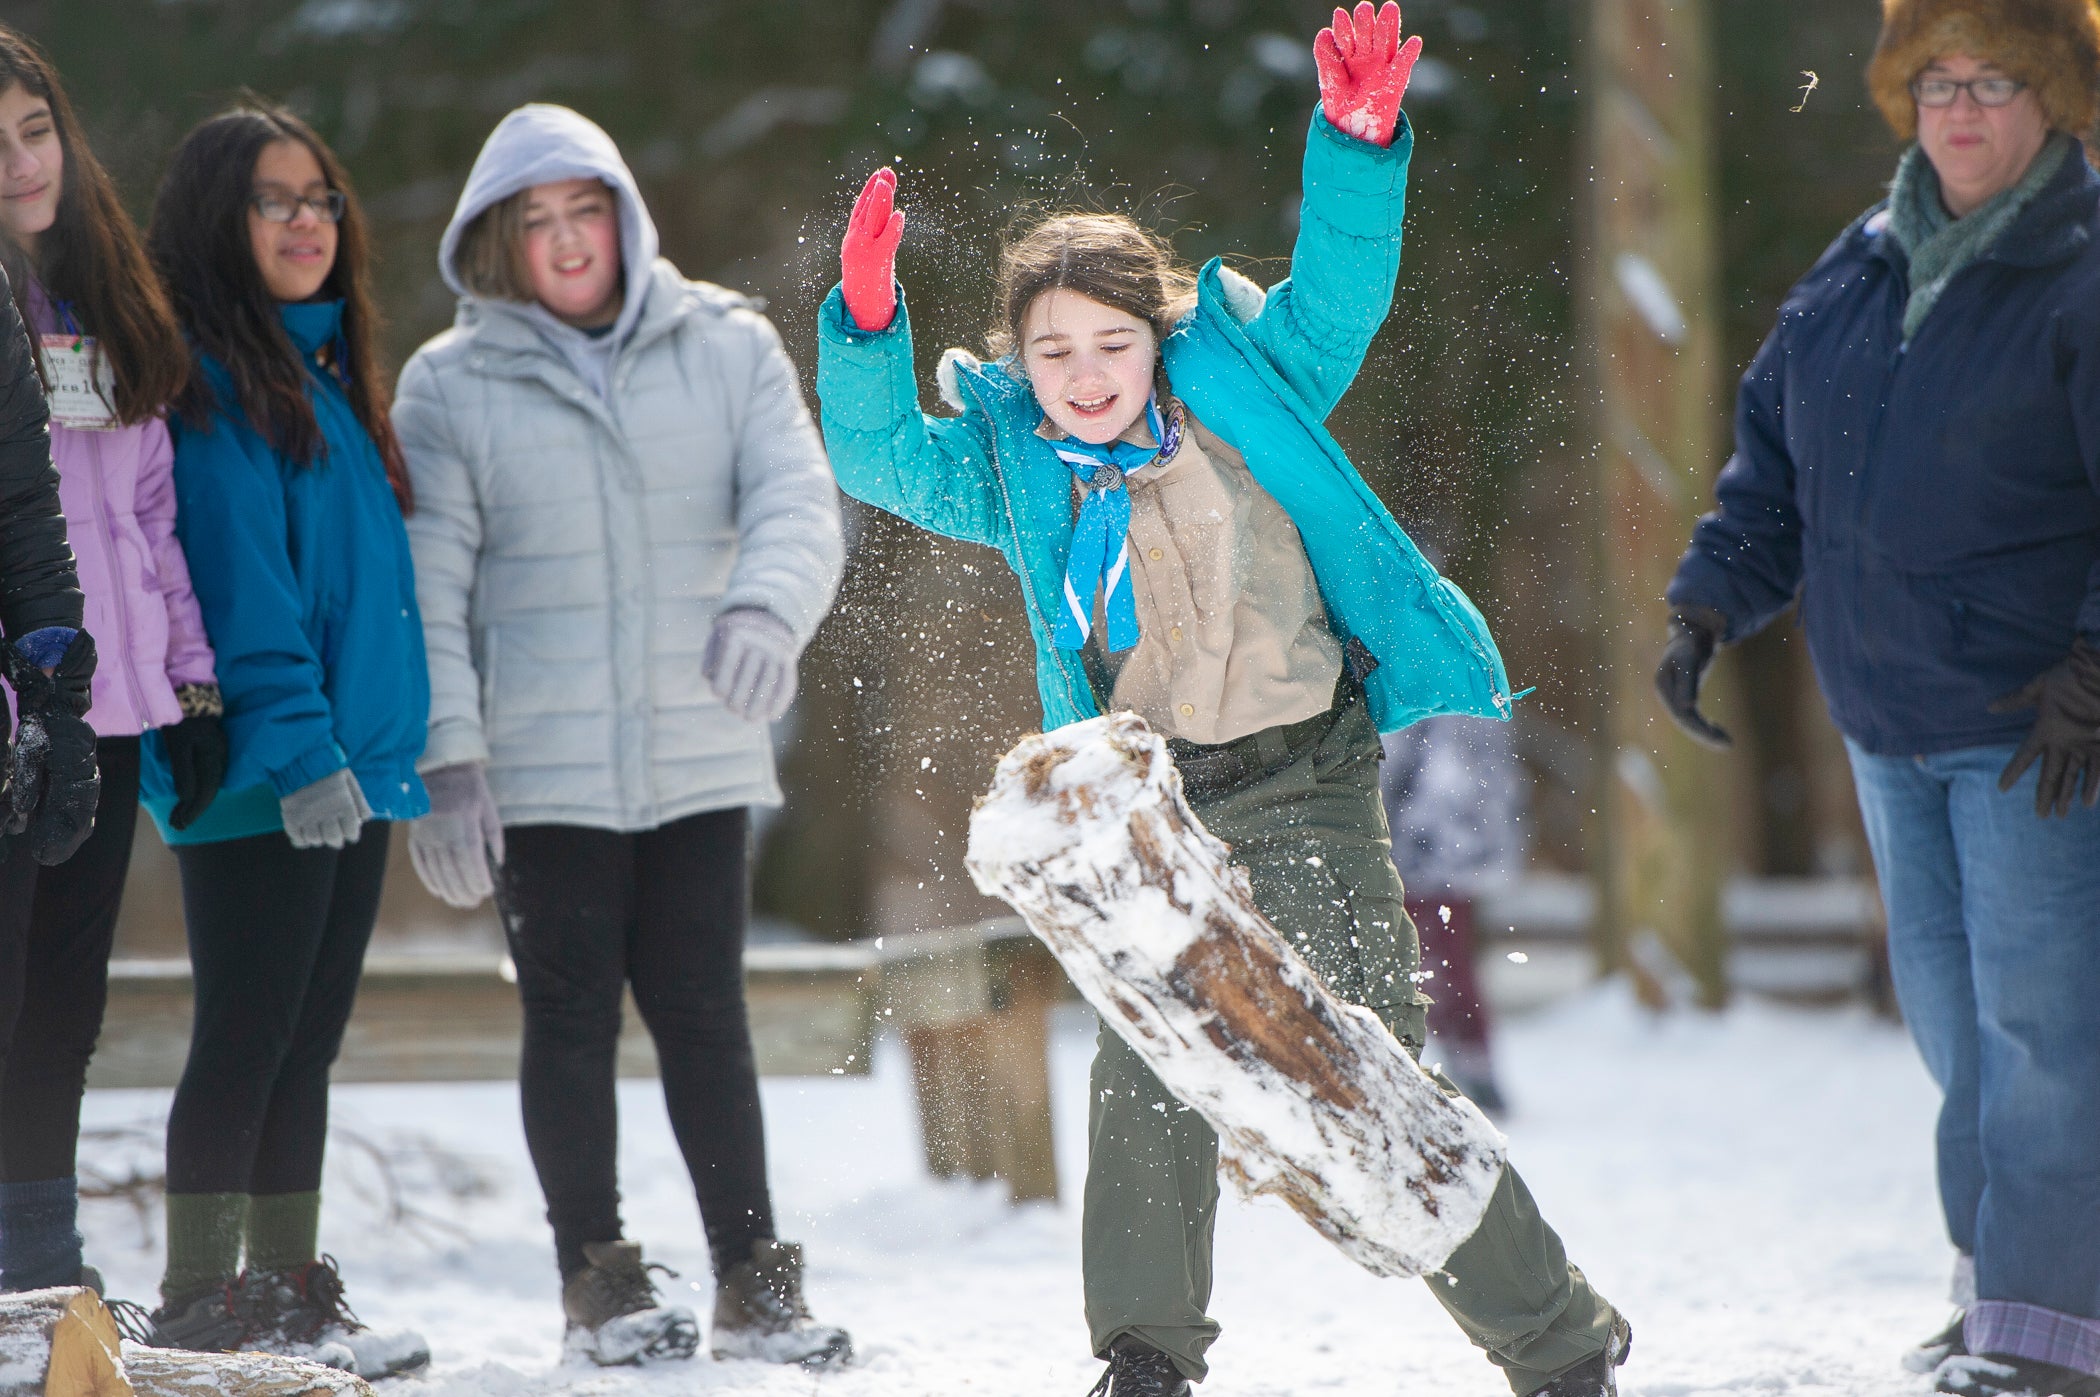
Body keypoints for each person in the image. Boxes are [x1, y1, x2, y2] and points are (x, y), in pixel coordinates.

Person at [818, 7, 1630, 1393]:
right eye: (1054, 351)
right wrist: (866, 323)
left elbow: (1340, 294)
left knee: (1365, 1070)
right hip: (1149, 807)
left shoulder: (1251, 393)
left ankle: (1557, 1340)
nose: (1084, 376)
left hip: (1305, 780)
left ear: (1156, 335)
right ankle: (1144, 1352)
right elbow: (883, 454)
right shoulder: (1017, 472)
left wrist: (1359, 142)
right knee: (1151, 1065)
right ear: (1021, 362)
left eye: (1109, 344)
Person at [1657, 1, 2100, 1392]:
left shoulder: (2082, 271)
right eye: (1940, 83)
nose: (1964, 111)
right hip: (1891, 720)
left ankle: (2054, 1331)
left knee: (2045, 1030)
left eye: (1999, 83)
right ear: (1906, 99)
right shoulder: (1862, 264)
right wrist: (1711, 600)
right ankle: (1997, 1297)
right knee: (1957, 1031)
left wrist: (2092, 669)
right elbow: (1775, 466)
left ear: (2058, 100)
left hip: (2039, 727)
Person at [393, 103, 848, 1369]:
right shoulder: (450, 381)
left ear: (624, 214)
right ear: (499, 242)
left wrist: (769, 601)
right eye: (534, 220)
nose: (566, 237)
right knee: (571, 1012)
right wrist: (448, 753)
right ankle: (594, 1274)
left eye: (583, 208)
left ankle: (756, 1277)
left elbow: (795, 495)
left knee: (707, 1009)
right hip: (538, 767)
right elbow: (430, 579)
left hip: (700, 742)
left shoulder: (727, 343)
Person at [137, 102, 430, 1379]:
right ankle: (205, 1301)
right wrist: (307, 749)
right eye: (273, 198)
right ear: (218, 218)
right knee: (246, 1034)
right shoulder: (206, 381)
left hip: (343, 763)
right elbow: (239, 586)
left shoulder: (319, 373)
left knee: (302, 1041)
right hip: (270, 768)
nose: (307, 219)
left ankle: (287, 1293)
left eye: (319, 196)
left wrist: (365, 754)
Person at [0, 26, 226, 1300]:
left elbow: (153, 516)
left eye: (36, 129)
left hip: (115, 701)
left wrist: (187, 681)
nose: (23, 162)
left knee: (67, 1006)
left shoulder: (110, 296)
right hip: (17, 706)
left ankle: (40, 1266)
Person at [1380, 712, 1525, 1115]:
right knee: (1444, 958)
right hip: (1455, 840)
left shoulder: (1416, 671)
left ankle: (1465, 1067)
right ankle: (1470, 1062)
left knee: (1431, 961)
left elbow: (1391, 762)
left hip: (1424, 842)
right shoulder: (1474, 671)